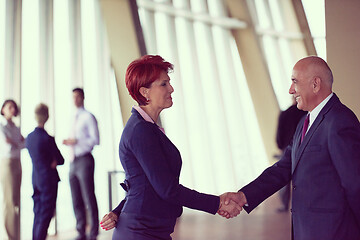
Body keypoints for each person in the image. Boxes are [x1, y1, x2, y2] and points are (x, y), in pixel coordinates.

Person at [99, 55, 241, 240]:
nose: (171, 88)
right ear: (145, 92)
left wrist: (118, 211)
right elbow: (167, 189)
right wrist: (217, 203)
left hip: (149, 228)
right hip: (141, 231)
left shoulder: (146, 127)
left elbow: (142, 182)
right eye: (164, 84)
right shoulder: (141, 130)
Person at [221, 56, 360, 240]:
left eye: (295, 81)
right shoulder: (306, 121)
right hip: (306, 231)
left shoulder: (339, 121)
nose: (290, 90)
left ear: (315, 84)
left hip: (332, 233)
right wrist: (243, 196)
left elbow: (355, 184)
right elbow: (283, 168)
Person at [63, 88, 100, 240]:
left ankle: (93, 232)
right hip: (73, 161)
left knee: (88, 196)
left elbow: (96, 140)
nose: (75, 99)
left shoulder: (88, 117)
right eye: (73, 97)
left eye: (78, 96)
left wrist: (76, 141)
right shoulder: (72, 117)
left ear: (83, 97)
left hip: (85, 159)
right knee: (75, 197)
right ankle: (81, 231)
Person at [26, 103, 64, 240]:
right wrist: (53, 160)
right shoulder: (47, 138)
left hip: (36, 179)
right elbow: (61, 159)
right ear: (47, 116)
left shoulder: (29, 138)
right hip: (48, 180)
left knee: (37, 213)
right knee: (46, 214)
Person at [275, 99, 306, 212]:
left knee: (284, 177)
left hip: (286, 147)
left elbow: (279, 132)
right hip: (303, 147)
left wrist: (280, 145)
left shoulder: (285, 113)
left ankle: (284, 205)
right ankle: (302, 204)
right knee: (302, 176)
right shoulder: (305, 114)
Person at [0, 99, 25, 240]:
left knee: (15, 202)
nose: (12, 110)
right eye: (9, 107)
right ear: (3, 109)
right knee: (9, 202)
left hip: (17, 163)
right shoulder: (1, 126)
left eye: (14, 108)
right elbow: (7, 146)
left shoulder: (15, 128)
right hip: (7, 164)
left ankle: (16, 236)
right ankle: (11, 237)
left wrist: (14, 142)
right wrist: (17, 143)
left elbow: (24, 144)